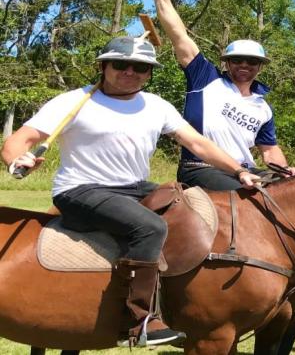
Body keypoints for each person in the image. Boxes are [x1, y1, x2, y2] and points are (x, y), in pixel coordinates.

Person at [1, 36, 261, 346]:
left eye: (141, 67)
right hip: (81, 189)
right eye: (121, 64)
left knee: (188, 205)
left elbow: (197, 143)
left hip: (134, 188)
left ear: (149, 73)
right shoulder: (74, 101)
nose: (130, 72)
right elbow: (22, 138)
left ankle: (190, 301)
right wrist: (17, 158)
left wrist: (239, 170)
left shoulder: (156, 105)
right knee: (149, 227)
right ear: (103, 66)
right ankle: (139, 319)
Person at [140, 0, 295, 190]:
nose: (244, 65)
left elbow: (269, 150)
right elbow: (179, 36)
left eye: (251, 61)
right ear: (227, 63)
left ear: (260, 67)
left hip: (247, 170)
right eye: (237, 60)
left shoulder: (263, 107)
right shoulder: (205, 78)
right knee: (253, 201)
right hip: (201, 167)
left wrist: (286, 170)